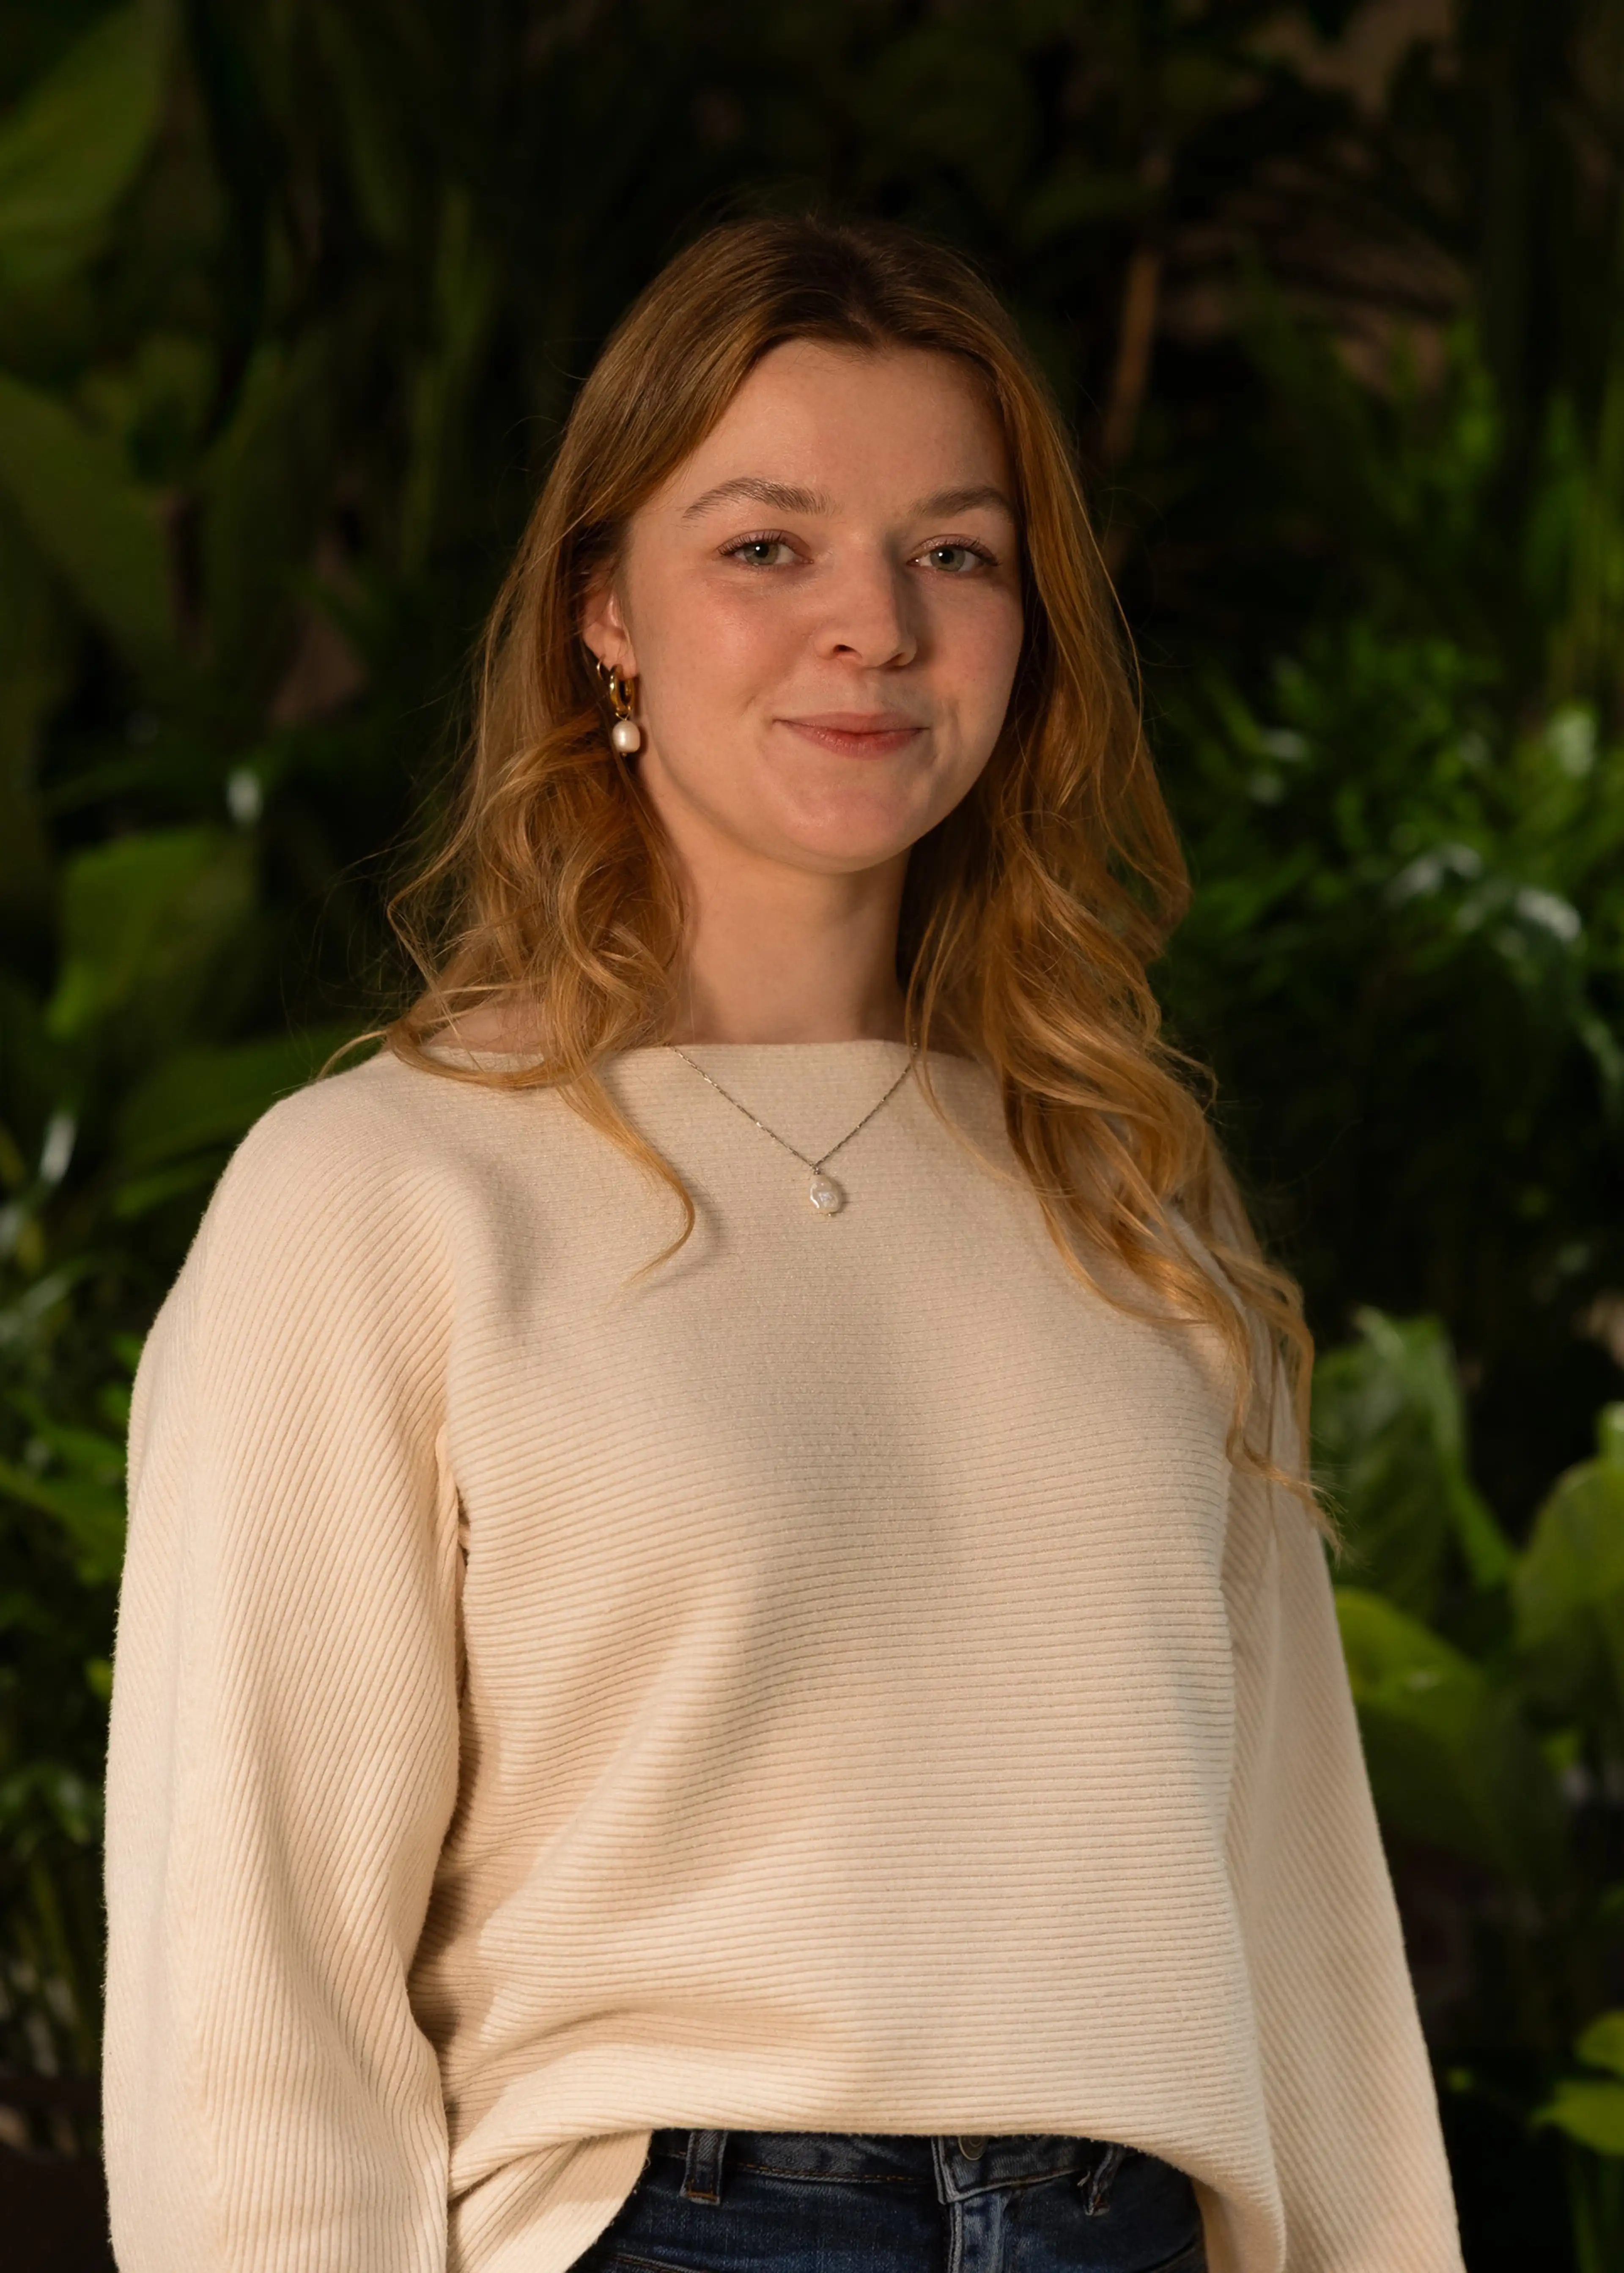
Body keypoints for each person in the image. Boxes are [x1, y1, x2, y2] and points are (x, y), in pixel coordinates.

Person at [103, 216, 1465, 2273]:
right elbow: (254, 1962)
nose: (877, 627)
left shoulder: (1131, 1203)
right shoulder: (379, 1196)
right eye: (767, 547)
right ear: (604, 616)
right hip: (674, 2225)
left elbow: (1302, 1919)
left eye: (957, 551)